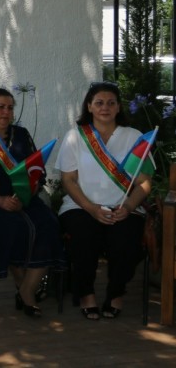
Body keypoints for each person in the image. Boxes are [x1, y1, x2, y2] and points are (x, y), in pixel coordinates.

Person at [0, 84, 63, 318]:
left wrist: (26, 193)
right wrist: (1, 201)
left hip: (24, 198)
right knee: (12, 227)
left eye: (10, 108)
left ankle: (26, 289)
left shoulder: (22, 136)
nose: (6, 112)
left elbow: (37, 169)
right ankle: (26, 292)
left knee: (48, 224)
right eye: (0, 107)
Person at [55, 81, 153, 320]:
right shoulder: (75, 137)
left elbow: (145, 183)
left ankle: (116, 293)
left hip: (123, 207)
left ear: (119, 107)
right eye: (99, 103)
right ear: (89, 106)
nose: (105, 107)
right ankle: (86, 294)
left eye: (111, 103)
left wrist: (128, 206)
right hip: (81, 206)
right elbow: (68, 180)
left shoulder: (134, 137)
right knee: (84, 238)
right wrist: (90, 208)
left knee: (125, 242)